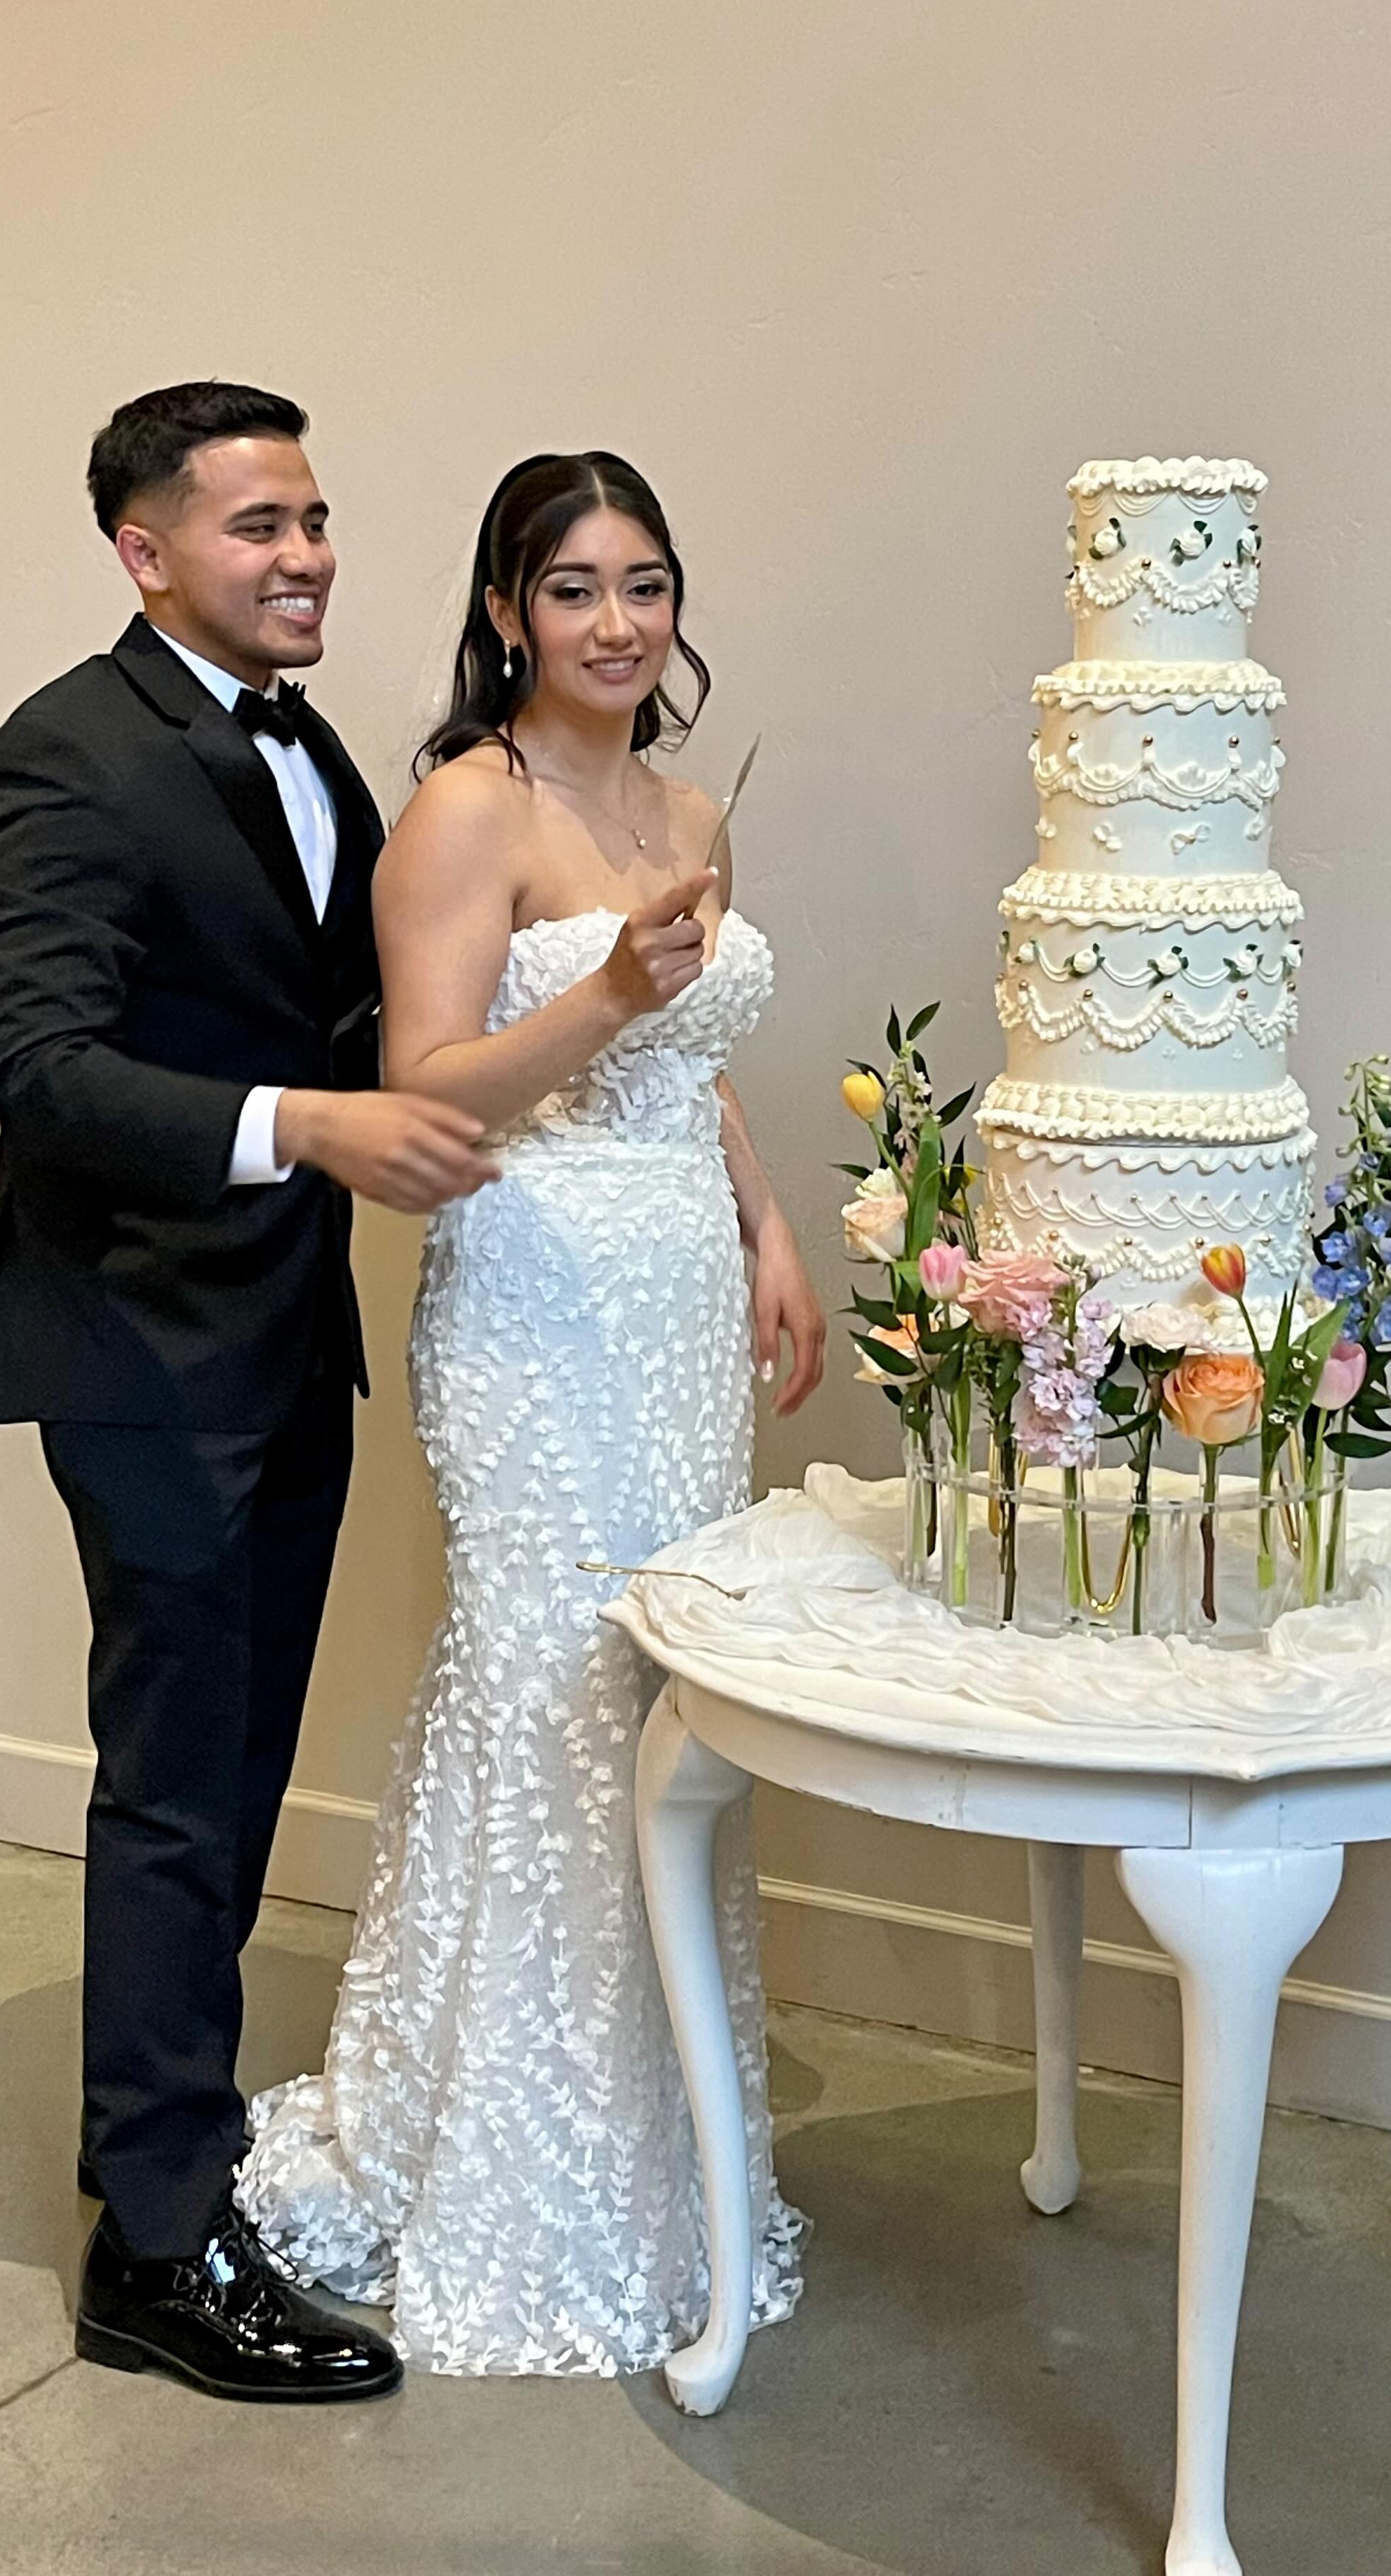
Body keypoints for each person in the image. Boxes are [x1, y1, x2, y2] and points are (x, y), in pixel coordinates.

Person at [239, 450, 825, 2374]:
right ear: (505, 612)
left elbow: (702, 1062)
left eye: (642, 582)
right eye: (570, 587)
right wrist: (609, 999)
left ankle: (673, 2154)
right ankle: (489, 2153)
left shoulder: (680, 801)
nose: (613, 621)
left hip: (671, 1285)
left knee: (672, 1694)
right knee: (550, 1682)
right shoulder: (462, 813)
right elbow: (428, 1094)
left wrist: (763, 1231)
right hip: (535, 1291)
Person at [0, 382, 498, 2401]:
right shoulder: (58, 759)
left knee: (238, 1772)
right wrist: (316, 1130)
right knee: (181, 1794)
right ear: (144, 547)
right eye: (259, 524)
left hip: (277, 1343)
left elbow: (345, 996)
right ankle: (154, 2253)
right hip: (137, 1347)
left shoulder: (314, 749)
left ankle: (173, 2156)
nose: (307, 555)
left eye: (319, 517)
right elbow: (55, 1074)